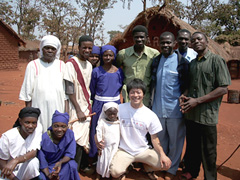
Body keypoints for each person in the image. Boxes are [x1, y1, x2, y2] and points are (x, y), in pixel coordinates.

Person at [179, 32, 231, 180]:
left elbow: (223, 88)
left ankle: (210, 177)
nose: (196, 42)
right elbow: (190, 85)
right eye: (193, 40)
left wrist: (198, 100)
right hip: (192, 113)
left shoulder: (216, 61)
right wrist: (185, 94)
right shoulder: (193, 63)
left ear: (207, 42)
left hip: (207, 115)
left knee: (209, 151)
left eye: (199, 39)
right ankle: (191, 171)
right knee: (193, 146)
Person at [109, 79, 172, 180]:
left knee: (165, 165)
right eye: (132, 92)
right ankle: (127, 166)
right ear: (128, 94)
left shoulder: (150, 115)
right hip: (124, 150)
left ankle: (147, 167)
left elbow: (155, 139)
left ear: (143, 94)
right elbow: (105, 123)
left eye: (138, 92)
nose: (135, 95)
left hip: (143, 150)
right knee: (115, 172)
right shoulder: (119, 109)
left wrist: (163, 154)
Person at [151, 32, 189, 180]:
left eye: (169, 42)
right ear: (159, 44)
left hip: (175, 110)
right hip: (157, 109)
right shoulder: (155, 61)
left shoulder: (182, 62)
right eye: (163, 42)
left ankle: (171, 170)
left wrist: (183, 99)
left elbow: (187, 85)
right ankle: (162, 165)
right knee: (161, 141)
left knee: (175, 141)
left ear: (174, 44)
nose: (165, 45)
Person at [19, 35, 67, 133]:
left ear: (56, 51)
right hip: (38, 107)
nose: (50, 51)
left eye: (53, 49)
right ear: (42, 49)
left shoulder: (62, 65)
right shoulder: (33, 65)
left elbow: (66, 94)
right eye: (47, 48)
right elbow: (28, 92)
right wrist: (30, 114)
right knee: (39, 135)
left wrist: (65, 114)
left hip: (58, 107)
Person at [89, 45, 124, 160]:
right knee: (98, 129)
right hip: (99, 104)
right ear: (101, 56)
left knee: (114, 130)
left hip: (115, 105)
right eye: (105, 55)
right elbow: (92, 89)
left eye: (110, 55)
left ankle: (114, 157)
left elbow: (119, 87)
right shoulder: (96, 71)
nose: (108, 57)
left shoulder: (119, 72)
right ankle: (96, 158)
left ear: (114, 56)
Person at [64, 35, 93, 171]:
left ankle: (80, 165)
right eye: (84, 47)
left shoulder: (89, 65)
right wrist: (78, 109)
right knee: (75, 136)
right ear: (78, 48)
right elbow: (69, 89)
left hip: (86, 104)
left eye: (89, 48)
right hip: (75, 105)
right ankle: (72, 168)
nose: (87, 50)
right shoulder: (71, 64)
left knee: (83, 137)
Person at [116, 25, 159, 106]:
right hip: (129, 95)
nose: (139, 39)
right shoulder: (123, 54)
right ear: (133, 38)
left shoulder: (154, 54)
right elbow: (115, 70)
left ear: (147, 38)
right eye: (136, 37)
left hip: (145, 96)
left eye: (142, 37)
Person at [0, 107, 42, 180]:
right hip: (8, 172)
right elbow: (2, 163)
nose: (31, 126)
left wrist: (16, 160)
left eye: (34, 123)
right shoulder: (7, 137)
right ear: (20, 121)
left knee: (34, 162)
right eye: (27, 122)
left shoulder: (37, 129)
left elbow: (34, 152)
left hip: (23, 168)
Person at [38, 110, 80, 180]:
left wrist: (60, 162)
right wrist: (49, 175)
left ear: (67, 127)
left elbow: (70, 153)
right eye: (56, 126)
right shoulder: (44, 138)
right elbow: (42, 161)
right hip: (47, 167)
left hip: (62, 163)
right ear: (52, 126)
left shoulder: (69, 134)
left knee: (72, 164)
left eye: (63, 126)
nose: (59, 129)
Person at [95, 102, 120, 179]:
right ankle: (99, 174)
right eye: (110, 114)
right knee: (102, 162)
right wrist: (99, 144)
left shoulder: (119, 123)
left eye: (114, 114)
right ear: (105, 113)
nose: (112, 116)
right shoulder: (102, 122)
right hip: (104, 147)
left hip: (115, 148)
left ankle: (111, 175)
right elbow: (98, 132)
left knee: (112, 162)